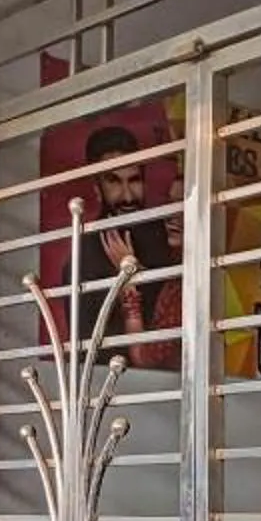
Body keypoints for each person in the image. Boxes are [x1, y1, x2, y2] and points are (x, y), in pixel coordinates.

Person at [73, 125, 181, 370]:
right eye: (113, 182)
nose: (128, 196)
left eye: (134, 180)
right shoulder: (84, 255)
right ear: (96, 188)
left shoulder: (168, 234)